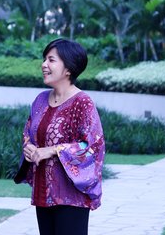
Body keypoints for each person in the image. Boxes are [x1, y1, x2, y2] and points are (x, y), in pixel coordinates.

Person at [14, 38, 105, 235]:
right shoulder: (40, 100)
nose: (44, 65)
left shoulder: (82, 103)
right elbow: (28, 133)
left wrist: (54, 150)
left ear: (69, 69)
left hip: (71, 197)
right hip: (43, 194)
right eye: (44, 59)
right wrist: (29, 148)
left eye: (51, 60)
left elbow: (92, 147)